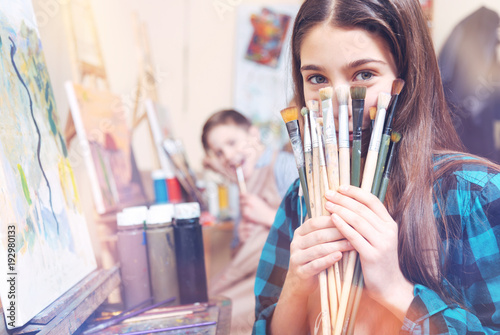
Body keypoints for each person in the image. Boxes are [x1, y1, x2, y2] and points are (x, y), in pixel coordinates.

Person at [253, 0, 500, 334]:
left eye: (364, 74)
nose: (340, 99)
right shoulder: (301, 196)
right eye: (316, 77)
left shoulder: (476, 194)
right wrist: (297, 284)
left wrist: (395, 289)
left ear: (407, 77)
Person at [201, 109, 298, 334]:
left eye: (232, 142)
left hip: (283, 279)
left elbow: (313, 222)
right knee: (209, 310)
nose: (227, 155)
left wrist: (267, 216)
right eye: (219, 152)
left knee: (222, 320)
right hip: (250, 276)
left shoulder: (284, 166)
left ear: (254, 135)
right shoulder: (241, 183)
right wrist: (241, 239)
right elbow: (238, 256)